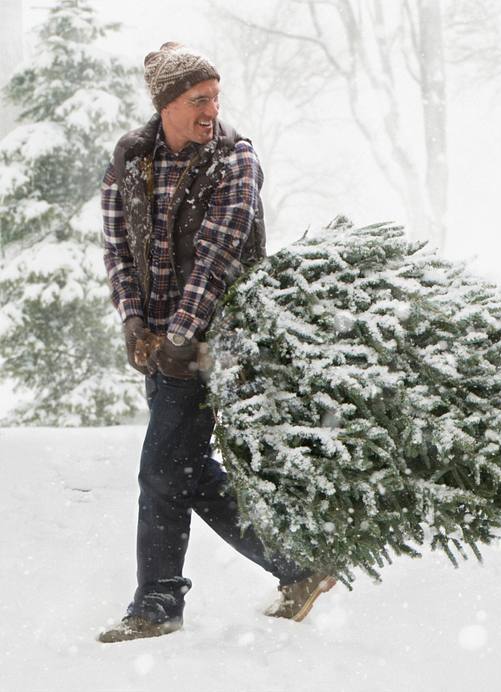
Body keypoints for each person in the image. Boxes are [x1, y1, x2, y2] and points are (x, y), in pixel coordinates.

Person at [98, 42, 334, 643]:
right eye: (197, 99)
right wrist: (133, 323)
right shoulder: (130, 157)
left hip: (217, 339)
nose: (211, 109)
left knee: (160, 469)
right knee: (185, 468)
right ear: (166, 105)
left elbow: (216, 261)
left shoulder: (234, 161)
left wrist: (181, 338)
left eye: (215, 97)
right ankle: (300, 565)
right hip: (159, 343)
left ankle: (156, 604)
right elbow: (118, 248)